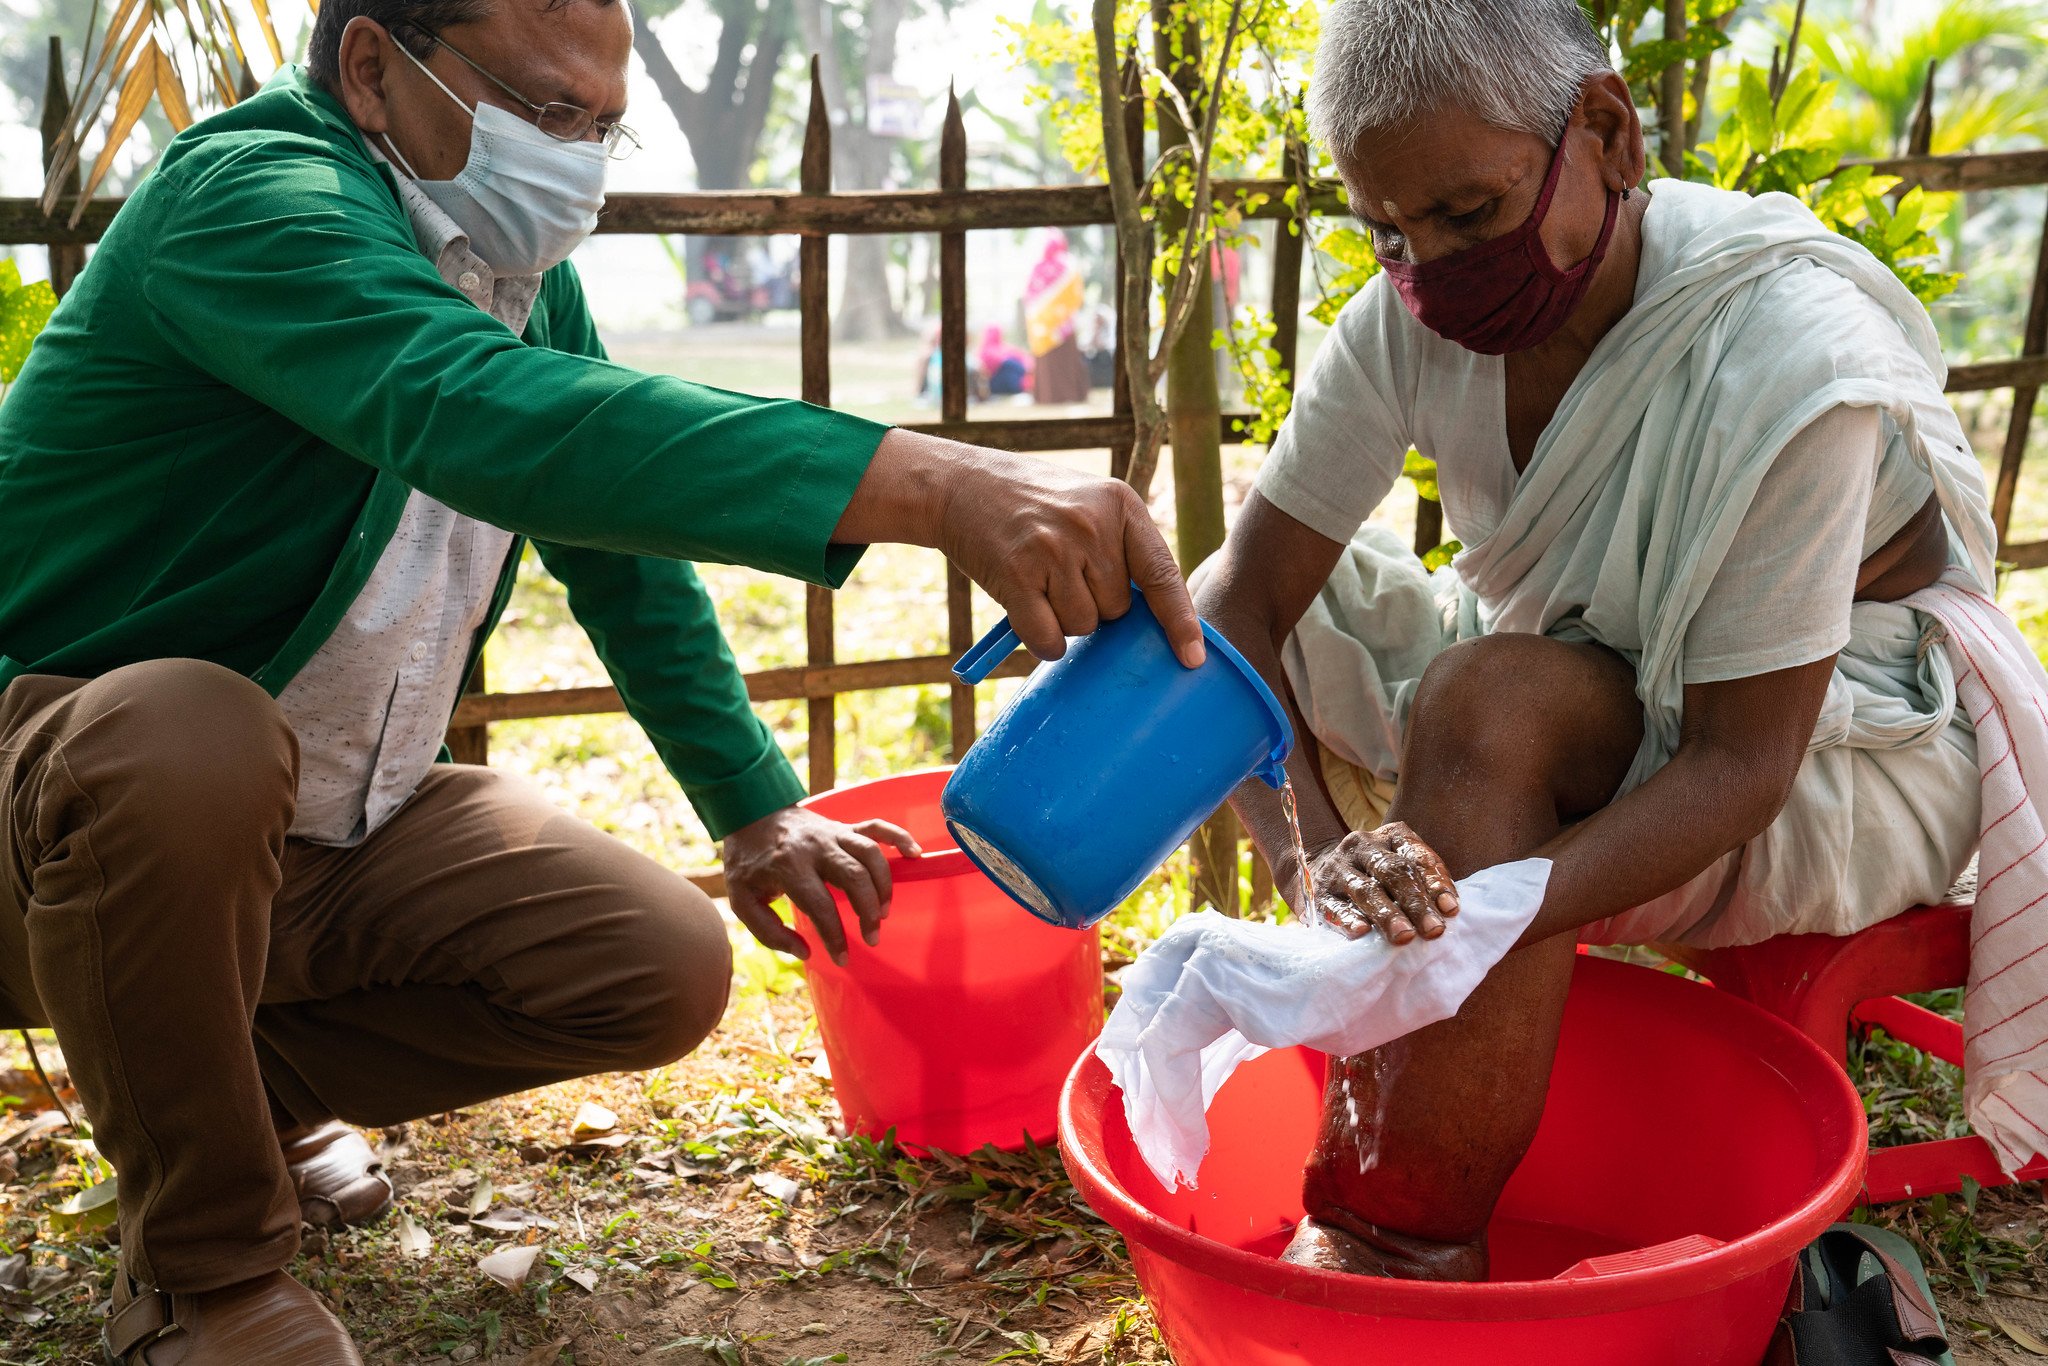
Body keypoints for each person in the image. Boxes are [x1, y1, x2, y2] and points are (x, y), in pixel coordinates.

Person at [0, 0, 1204, 1359]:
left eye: (598, 124)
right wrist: (938, 484)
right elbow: (477, 410)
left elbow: (618, 563)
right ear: (372, 68)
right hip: (51, 817)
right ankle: (204, 1276)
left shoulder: (515, 279)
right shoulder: (253, 199)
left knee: (652, 963)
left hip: (319, 829)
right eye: (541, 110)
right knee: (188, 733)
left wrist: (753, 809)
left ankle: (226, 1102)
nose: (572, 156)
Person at [1196, 0, 2037, 1283]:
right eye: (1390, 232)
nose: (1429, 267)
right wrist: (1312, 859)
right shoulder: (1407, 320)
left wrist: (1487, 908)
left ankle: (1391, 1241)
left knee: (1487, 712)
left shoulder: (1784, 356)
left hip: (1844, 747)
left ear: (1604, 131)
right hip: (1580, 675)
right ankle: (1411, 1107)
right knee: (1225, 601)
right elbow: (1236, 606)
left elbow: (1737, 764)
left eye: (1468, 214)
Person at [1024, 229, 1091, 404]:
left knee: (1047, 364)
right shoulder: (1068, 265)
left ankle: (1046, 396)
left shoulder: (1037, 269)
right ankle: (1070, 394)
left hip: (1042, 330)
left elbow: (1028, 299)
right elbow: (1077, 296)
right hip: (1064, 327)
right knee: (1066, 361)